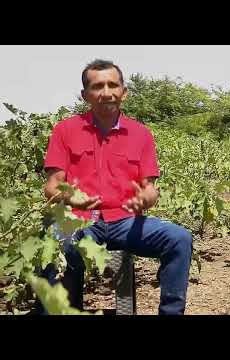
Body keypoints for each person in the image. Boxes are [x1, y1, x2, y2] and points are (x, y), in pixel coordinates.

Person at [39, 59, 192, 315]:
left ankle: (171, 312)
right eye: (98, 86)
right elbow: (52, 187)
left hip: (126, 222)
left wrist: (145, 198)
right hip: (80, 222)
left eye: (113, 85)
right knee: (57, 240)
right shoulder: (65, 130)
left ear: (124, 91)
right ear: (85, 95)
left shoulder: (140, 133)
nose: (106, 92)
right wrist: (72, 199)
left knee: (179, 239)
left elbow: (150, 188)